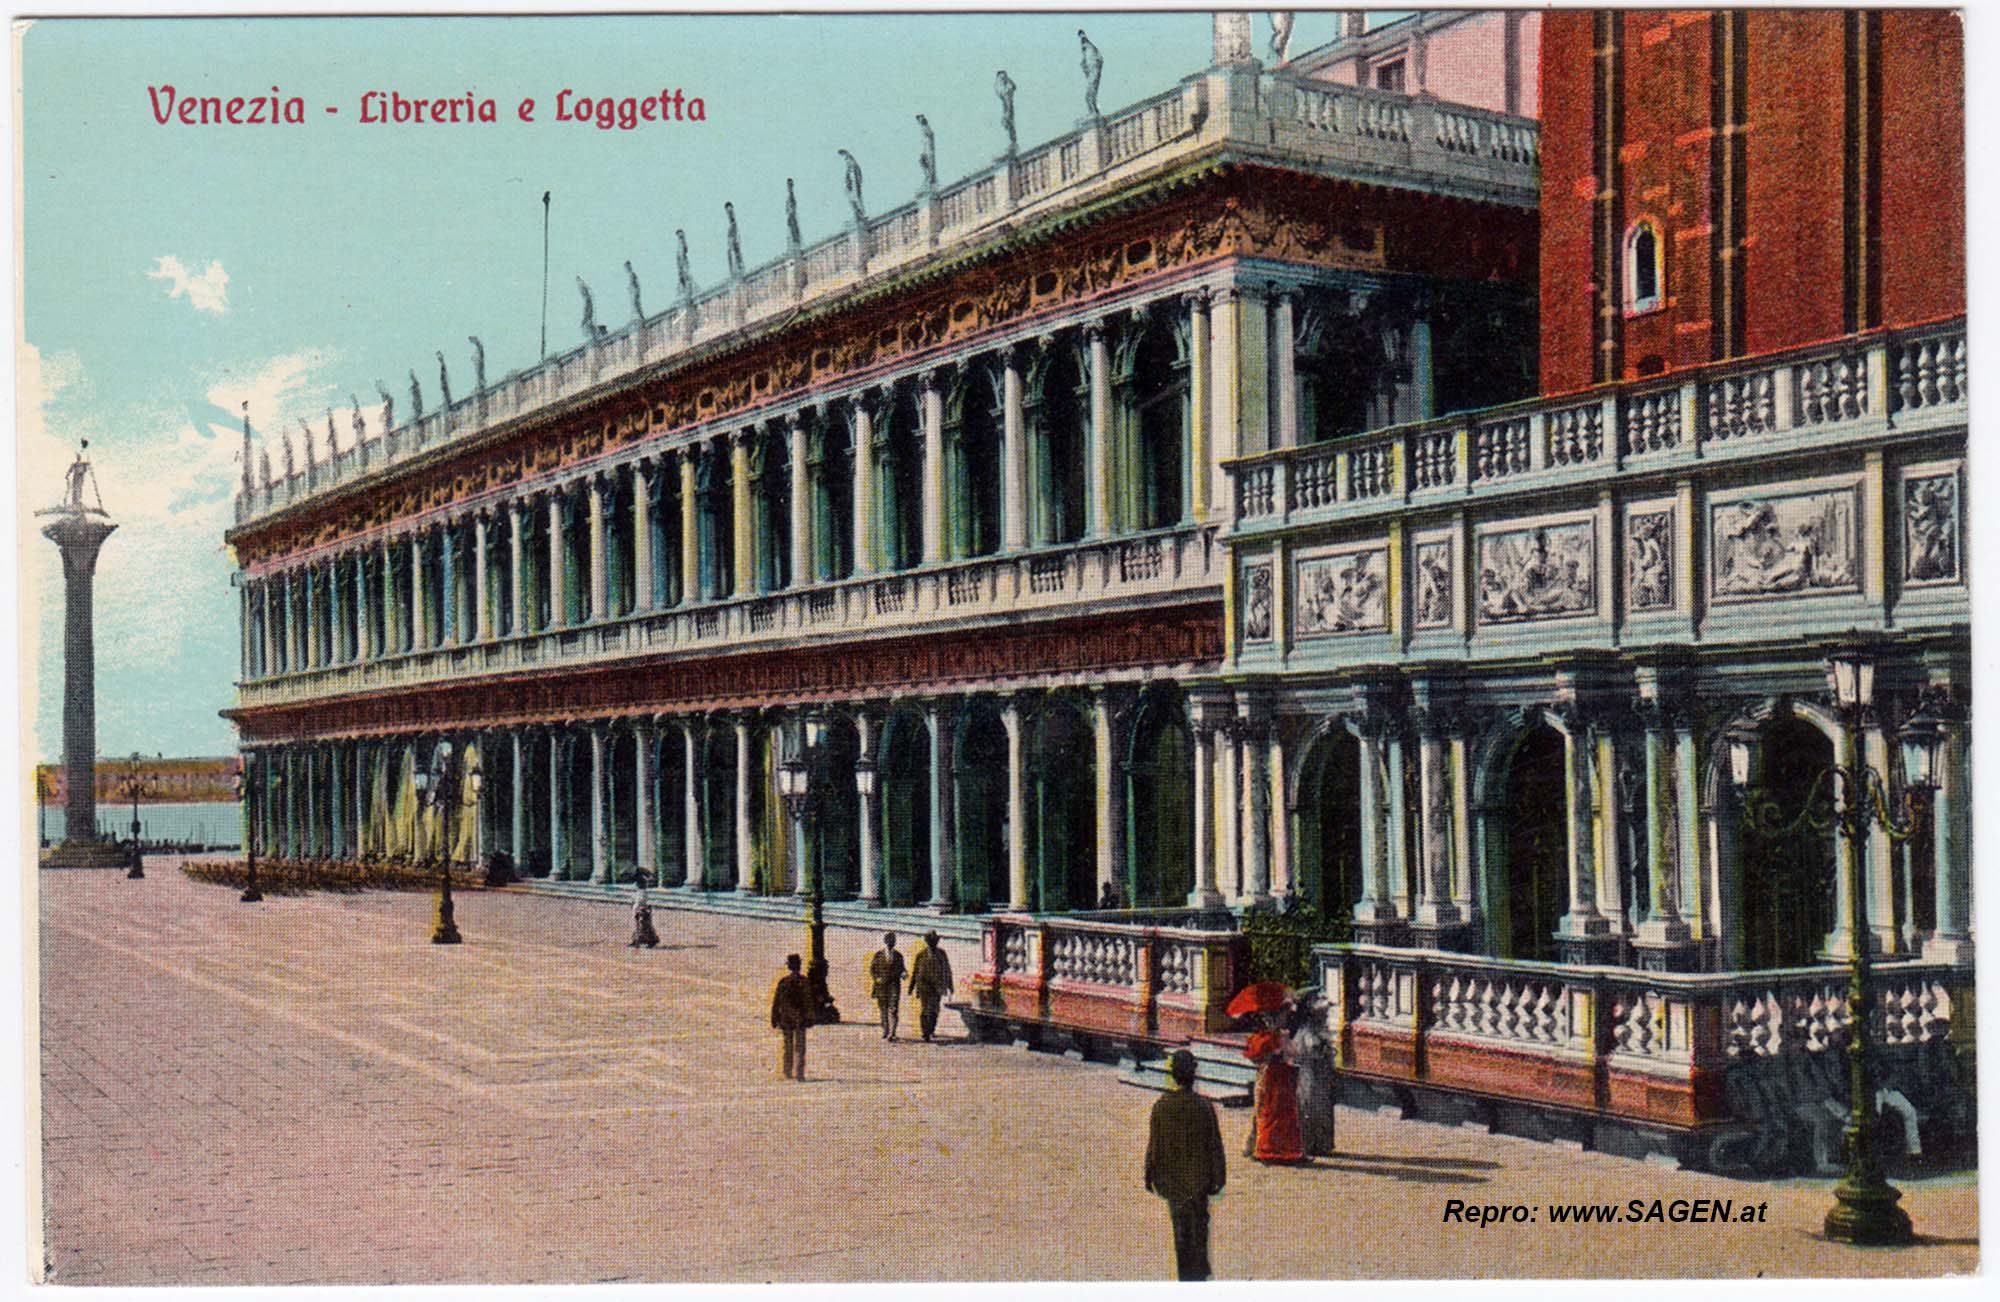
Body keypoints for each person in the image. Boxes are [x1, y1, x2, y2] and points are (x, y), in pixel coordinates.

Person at [1144, 1049, 1227, 1282]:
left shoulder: (1161, 1106)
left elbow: (1155, 1145)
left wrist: (1149, 1175)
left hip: (1173, 1181)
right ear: (1193, 1075)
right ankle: (1199, 1272)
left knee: (1180, 1229)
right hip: (1198, 1180)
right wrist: (1219, 1177)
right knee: (1200, 1226)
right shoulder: (1203, 1106)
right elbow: (1215, 1146)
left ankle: (1186, 1276)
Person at [1244, 1015, 1305, 1163]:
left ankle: (1287, 1150)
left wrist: (1285, 1047)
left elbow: (1295, 1055)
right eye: (1270, 1020)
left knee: (1285, 1113)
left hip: (1282, 1077)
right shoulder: (1260, 1037)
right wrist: (1270, 1054)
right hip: (1267, 1077)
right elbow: (1253, 1057)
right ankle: (1261, 1149)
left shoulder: (1283, 1035)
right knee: (1265, 1112)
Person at [1287, 993, 1338, 1157]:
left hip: (1320, 1074)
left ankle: (1322, 1143)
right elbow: (1310, 1051)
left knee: (1323, 1107)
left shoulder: (1320, 1029)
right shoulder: (1307, 1030)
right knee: (1309, 1106)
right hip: (1309, 1073)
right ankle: (1308, 1143)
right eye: (1323, 1014)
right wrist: (1323, 1050)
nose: (1325, 1017)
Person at [907, 930, 955, 1042]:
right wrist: (911, 987)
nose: (933, 943)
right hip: (924, 986)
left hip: (937, 986)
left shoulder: (942, 954)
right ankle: (925, 1033)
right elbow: (915, 972)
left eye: (934, 941)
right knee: (925, 1010)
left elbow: (947, 970)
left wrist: (950, 986)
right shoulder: (921, 955)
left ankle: (931, 1029)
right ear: (927, 942)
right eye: (930, 941)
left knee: (934, 1010)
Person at [770, 954, 813, 1081]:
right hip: (801, 1018)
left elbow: (776, 1001)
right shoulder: (804, 982)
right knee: (800, 1046)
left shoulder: (783, 982)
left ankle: (787, 1071)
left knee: (787, 1046)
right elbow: (808, 1001)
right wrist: (810, 1017)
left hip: (786, 1018)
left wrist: (774, 1017)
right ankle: (799, 1073)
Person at [868, 932, 908, 1041]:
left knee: (894, 1008)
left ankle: (892, 1032)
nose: (891, 942)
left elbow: (902, 968)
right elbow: (872, 969)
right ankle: (885, 1030)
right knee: (883, 1009)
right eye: (889, 940)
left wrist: (904, 974)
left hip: (894, 985)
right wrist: (877, 978)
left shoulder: (899, 956)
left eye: (893, 940)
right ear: (885, 941)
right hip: (881, 986)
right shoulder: (878, 955)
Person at [628, 868, 659, 949]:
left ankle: (650, 940)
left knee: (644, 926)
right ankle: (638, 940)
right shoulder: (638, 890)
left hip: (641, 909)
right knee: (639, 926)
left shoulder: (642, 891)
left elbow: (640, 902)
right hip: (638, 909)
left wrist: (638, 908)